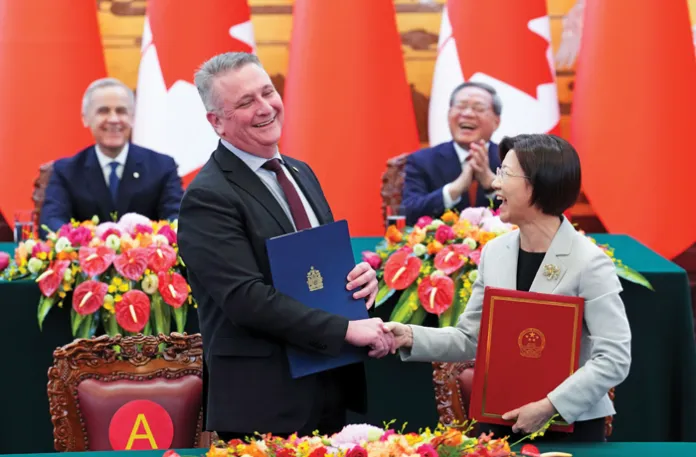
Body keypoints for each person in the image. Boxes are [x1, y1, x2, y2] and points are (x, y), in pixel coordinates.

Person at [176, 52, 393, 440]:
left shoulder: (300, 172)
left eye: (268, 92)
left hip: (330, 386)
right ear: (217, 122)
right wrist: (345, 328)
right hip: (265, 404)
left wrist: (360, 283)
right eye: (245, 102)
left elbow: (319, 270)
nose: (265, 108)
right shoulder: (207, 196)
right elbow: (246, 299)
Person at [386, 133, 631, 442]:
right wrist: (407, 335)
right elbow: (469, 338)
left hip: (570, 426)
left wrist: (548, 406)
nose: (495, 184)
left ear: (539, 184)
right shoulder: (495, 252)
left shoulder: (589, 262)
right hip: (500, 421)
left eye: (505, 173)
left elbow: (615, 357)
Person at [39, 78, 183, 233]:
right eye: (103, 111)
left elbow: (176, 218)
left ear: (133, 117)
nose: (114, 119)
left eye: (121, 111)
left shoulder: (162, 167)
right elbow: (51, 222)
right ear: (85, 118)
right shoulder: (66, 171)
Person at [401, 82, 503, 225]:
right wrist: (454, 189)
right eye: (460, 106)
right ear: (449, 115)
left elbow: (532, 214)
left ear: (496, 121)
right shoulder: (421, 161)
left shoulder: (512, 160)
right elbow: (409, 213)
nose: (467, 114)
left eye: (479, 108)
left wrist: (491, 184)